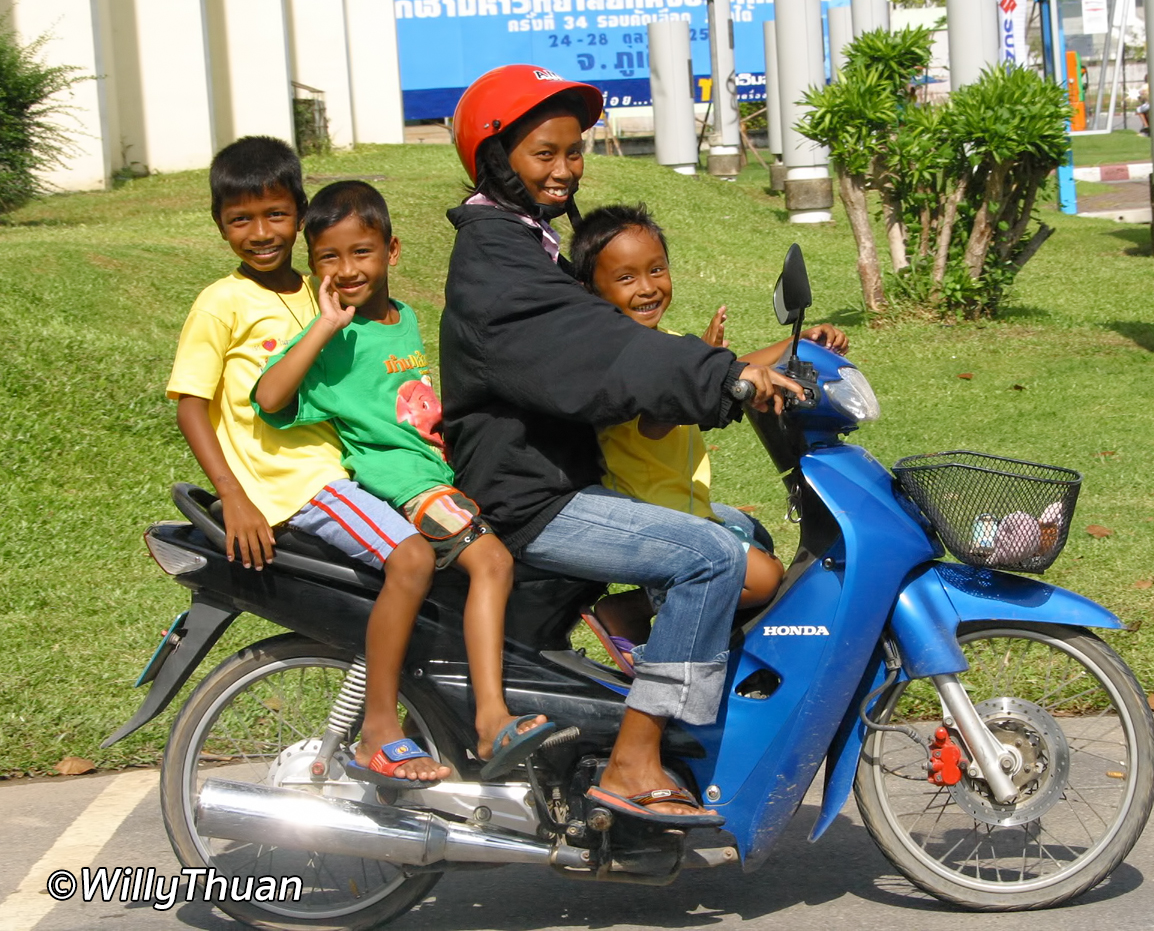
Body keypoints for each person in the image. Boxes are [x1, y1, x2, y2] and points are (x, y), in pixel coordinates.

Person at [439, 65, 803, 825]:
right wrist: (721, 377)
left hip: (558, 480)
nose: (565, 170)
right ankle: (635, 759)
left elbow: (612, 347)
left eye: (574, 152)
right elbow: (602, 350)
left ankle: (678, 722)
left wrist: (737, 367)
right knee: (712, 556)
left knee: (737, 529)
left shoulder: (523, 243)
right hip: (533, 496)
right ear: (496, 156)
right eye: (545, 154)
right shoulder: (497, 264)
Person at [167, 137, 447, 787]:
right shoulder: (223, 302)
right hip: (294, 488)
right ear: (219, 224)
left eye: (274, 216)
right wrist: (233, 495)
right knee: (411, 558)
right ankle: (380, 729)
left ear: (300, 215)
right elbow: (190, 404)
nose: (260, 233)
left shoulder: (322, 288)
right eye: (240, 219)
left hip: (344, 474)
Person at [253, 180, 555, 782]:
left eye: (360, 252)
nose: (346, 269)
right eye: (328, 259)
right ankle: (483, 719)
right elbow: (268, 395)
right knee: (490, 562)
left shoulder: (408, 320)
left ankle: (440, 716)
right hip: (407, 488)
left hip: (443, 476)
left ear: (391, 251)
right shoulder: (334, 337)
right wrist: (320, 327)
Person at [567, 203, 850, 673]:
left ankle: (714, 645)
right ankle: (637, 614)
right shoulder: (616, 358)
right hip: (648, 519)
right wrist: (700, 378)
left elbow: (735, 367)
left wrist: (801, 346)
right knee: (763, 578)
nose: (647, 287)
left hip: (686, 508)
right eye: (626, 278)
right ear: (591, 290)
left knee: (752, 532)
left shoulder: (666, 344)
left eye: (657, 269)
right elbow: (655, 418)